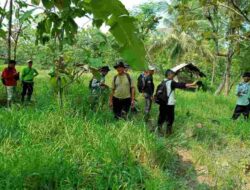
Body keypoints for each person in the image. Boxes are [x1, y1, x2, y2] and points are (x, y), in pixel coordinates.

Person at [157, 69, 197, 135]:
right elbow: (180, 85)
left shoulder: (163, 81)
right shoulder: (171, 82)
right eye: (172, 74)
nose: (173, 75)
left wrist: (192, 85)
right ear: (169, 75)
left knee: (162, 116)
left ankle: (159, 129)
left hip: (162, 102)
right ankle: (168, 133)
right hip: (169, 103)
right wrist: (192, 84)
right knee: (170, 118)